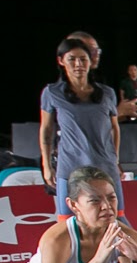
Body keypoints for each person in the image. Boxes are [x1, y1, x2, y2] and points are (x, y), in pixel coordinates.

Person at [39, 36, 120, 217]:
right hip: (70, 166)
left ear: (91, 62)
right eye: (72, 59)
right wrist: (46, 164)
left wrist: (115, 158)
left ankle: (135, 246)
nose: (78, 64)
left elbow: (114, 128)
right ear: (61, 61)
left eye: (83, 59)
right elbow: (46, 130)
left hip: (104, 165)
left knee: (115, 218)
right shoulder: (52, 93)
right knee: (66, 220)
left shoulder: (107, 93)